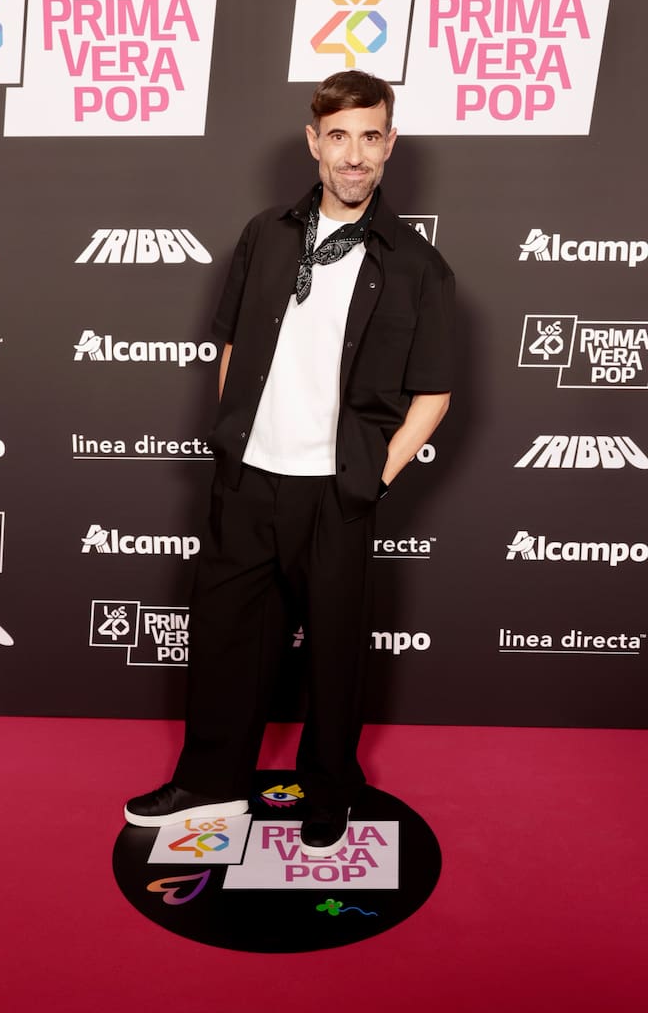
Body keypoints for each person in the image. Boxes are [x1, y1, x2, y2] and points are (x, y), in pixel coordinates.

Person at [124, 70, 454, 856]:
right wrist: (238, 434)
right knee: (227, 638)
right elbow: (234, 340)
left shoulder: (415, 266)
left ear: (389, 145)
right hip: (248, 478)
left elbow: (434, 396)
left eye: (370, 136)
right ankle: (208, 777)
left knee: (336, 653)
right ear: (314, 142)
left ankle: (330, 786)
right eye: (338, 135)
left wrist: (373, 477)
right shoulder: (265, 233)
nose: (353, 154)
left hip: (336, 491)